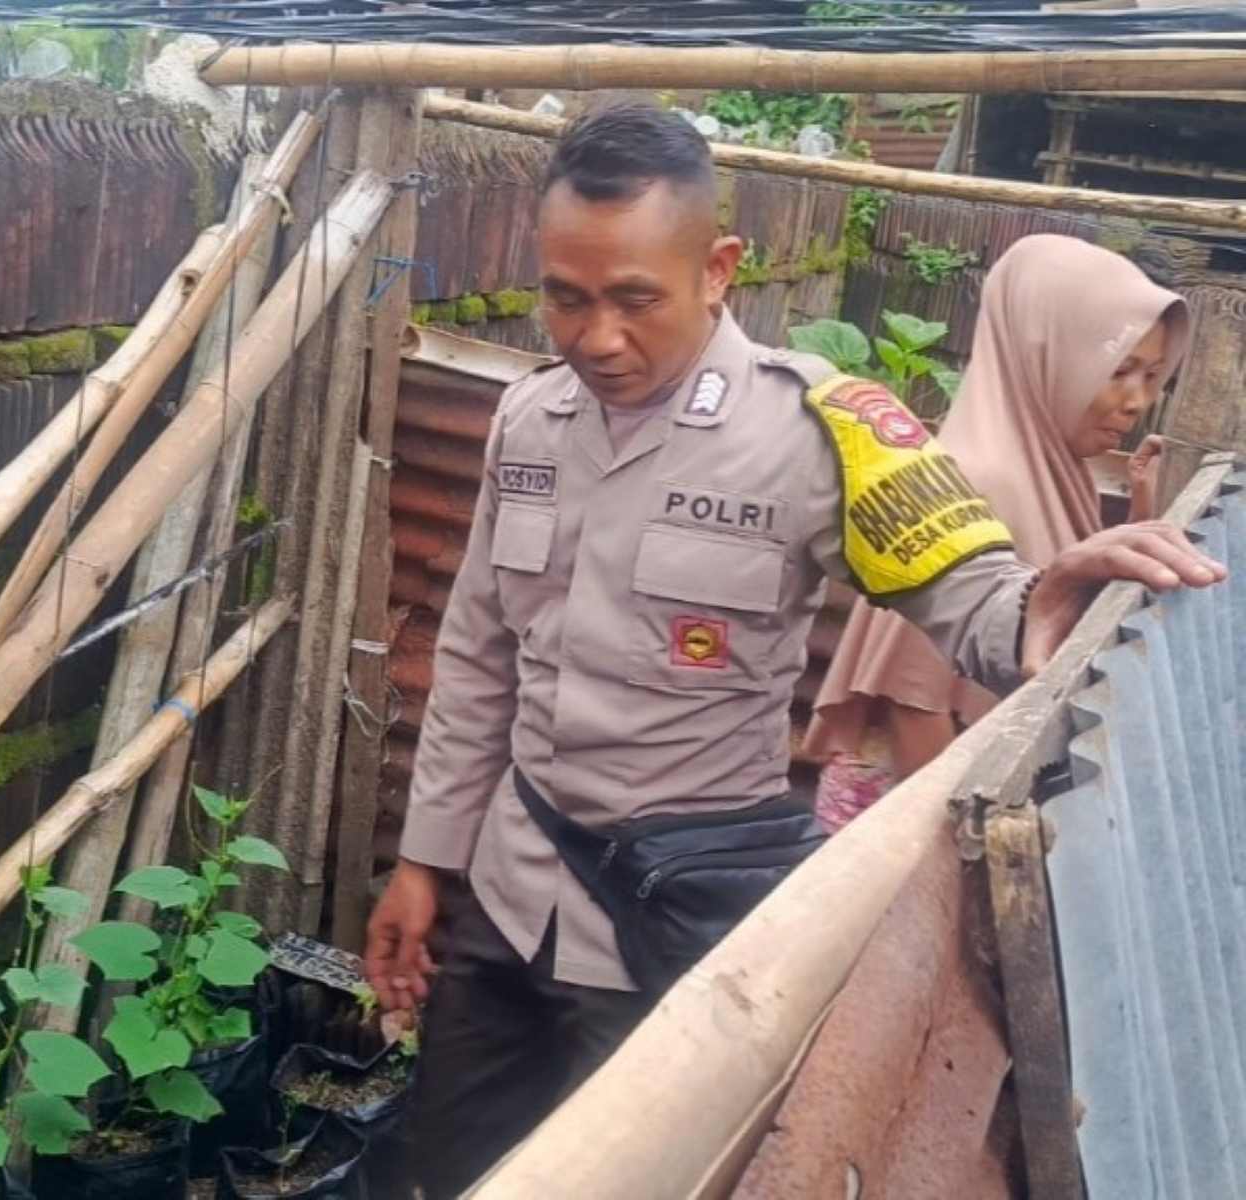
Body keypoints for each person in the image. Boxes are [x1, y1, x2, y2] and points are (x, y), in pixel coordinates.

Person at [362, 103, 1224, 1198]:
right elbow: (481, 657)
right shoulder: (531, 423)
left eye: (634, 299)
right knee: (447, 1172)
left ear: (718, 267)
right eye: (565, 299)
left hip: (676, 928)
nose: (596, 339)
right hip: (511, 891)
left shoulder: (826, 428)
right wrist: (426, 862)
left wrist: (1048, 604)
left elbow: (989, 610)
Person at [801, 234, 1190, 832]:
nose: (1137, 401)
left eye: (1152, 375)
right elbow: (913, 705)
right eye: (1117, 372)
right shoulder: (975, 479)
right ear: (1046, 357)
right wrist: (964, 849)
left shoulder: (1053, 470)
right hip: (905, 825)